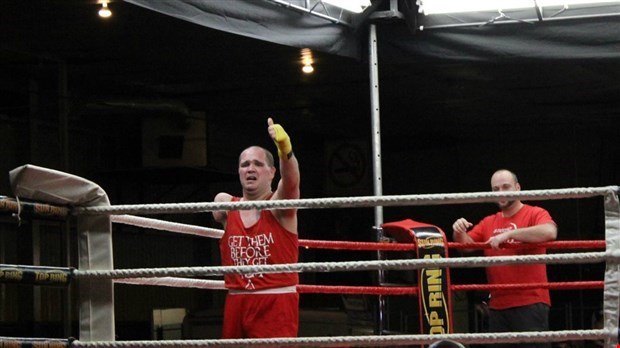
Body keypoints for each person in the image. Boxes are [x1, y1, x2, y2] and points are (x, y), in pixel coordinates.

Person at [213, 117, 300, 339]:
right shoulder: (225, 206)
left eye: (258, 164)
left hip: (274, 301)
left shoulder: (279, 207)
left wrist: (285, 150)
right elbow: (218, 207)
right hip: (236, 299)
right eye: (245, 164)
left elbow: (291, 182)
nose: (250, 169)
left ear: (272, 172)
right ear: (239, 172)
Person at [452, 169, 557, 348]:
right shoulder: (488, 221)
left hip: (530, 302)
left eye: (506, 187)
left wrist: (510, 234)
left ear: (517, 188)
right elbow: (467, 245)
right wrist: (458, 231)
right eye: (496, 189)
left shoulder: (535, 213)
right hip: (498, 306)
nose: (501, 192)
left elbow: (550, 231)